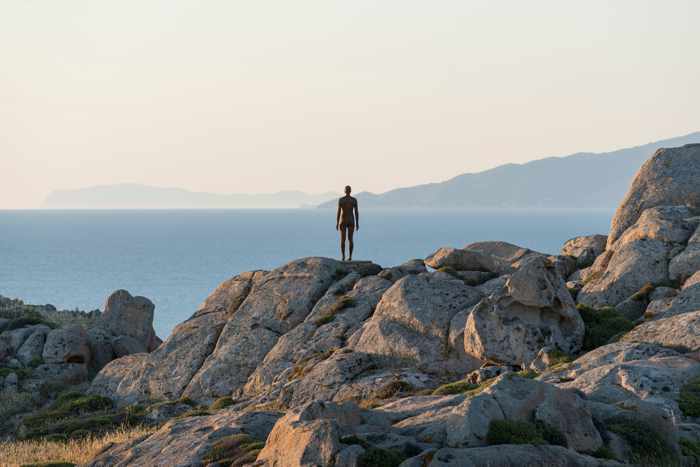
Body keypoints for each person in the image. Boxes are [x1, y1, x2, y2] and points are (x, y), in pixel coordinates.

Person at [336, 185, 359, 261]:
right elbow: (356, 212)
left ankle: (343, 256)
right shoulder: (354, 200)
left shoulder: (341, 200)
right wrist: (357, 223)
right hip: (351, 220)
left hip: (343, 220)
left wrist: (337, 222)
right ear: (350, 191)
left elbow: (339, 212)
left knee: (343, 239)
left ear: (345, 191)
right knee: (350, 239)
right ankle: (350, 257)